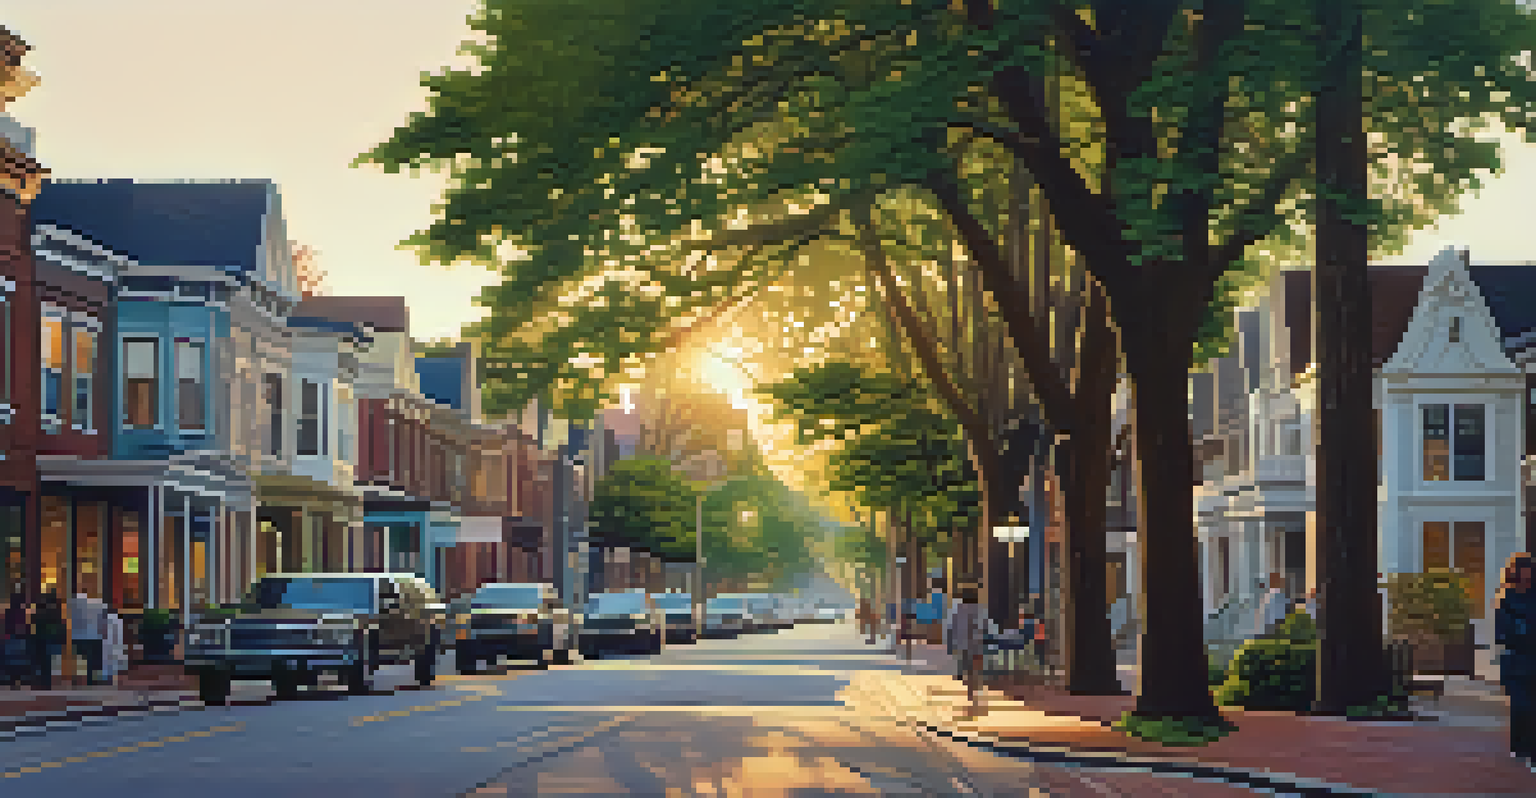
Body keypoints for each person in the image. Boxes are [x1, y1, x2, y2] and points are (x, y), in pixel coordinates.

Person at [1495, 552, 1536, 768]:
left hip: (1531, 657)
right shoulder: (1506, 597)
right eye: (1521, 571)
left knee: (1530, 706)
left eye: (1528, 570)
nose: (1525, 575)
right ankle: (1520, 746)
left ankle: (1529, 749)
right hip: (1516, 659)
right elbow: (1502, 632)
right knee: (1521, 706)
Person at [69, 592, 108, 686]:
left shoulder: (72, 605)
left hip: (77, 636)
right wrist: (104, 633)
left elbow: (69, 620)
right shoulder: (98, 604)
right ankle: (91, 679)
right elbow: (102, 622)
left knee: (79, 659)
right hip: (94, 636)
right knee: (92, 660)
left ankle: (76, 679)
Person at [30, 589, 65, 690]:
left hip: (41, 637)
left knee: (41, 660)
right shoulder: (56, 610)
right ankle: (46, 681)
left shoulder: (41, 609)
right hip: (51, 637)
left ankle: (42, 681)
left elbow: (35, 621)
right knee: (47, 661)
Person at [2, 592, 28, 688]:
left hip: (11, 636)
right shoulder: (21, 611)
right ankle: (17, 678)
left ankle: (13, 679)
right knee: (18, 658)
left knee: (12, 659)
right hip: (19, 636)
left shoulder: (9, 611)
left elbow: (6, 625)